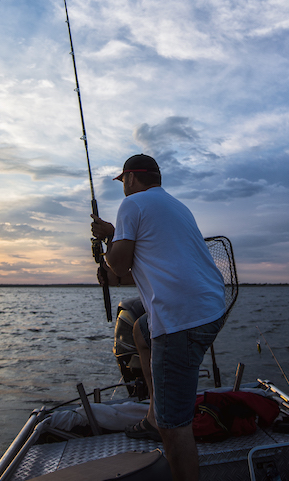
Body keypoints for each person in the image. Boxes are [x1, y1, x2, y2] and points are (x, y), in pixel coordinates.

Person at [91, 154, 226, 481]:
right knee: (140, 329)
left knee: (174, 427)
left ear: (132, 179)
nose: (123, 187)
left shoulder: (132, 205)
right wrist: (112, 236)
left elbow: (119, 266)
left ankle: (163, 421)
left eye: (123, 180)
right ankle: (154, 414)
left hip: (181, 319)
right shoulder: (176, 207)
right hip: (212, 308)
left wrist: (107, 242)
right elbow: (142, 265)